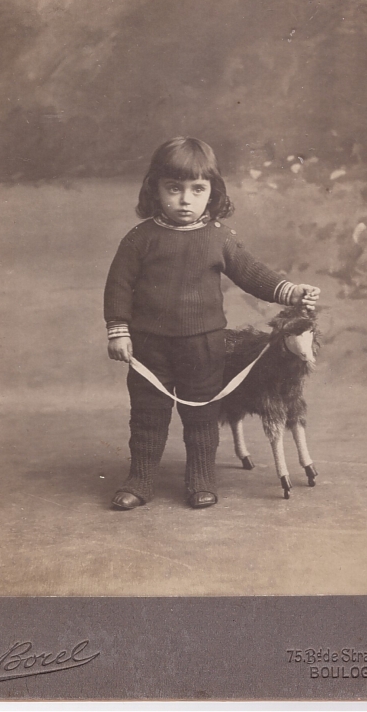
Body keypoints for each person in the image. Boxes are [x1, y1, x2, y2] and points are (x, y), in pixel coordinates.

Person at [104, 136, 320, 510]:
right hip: (149, 347)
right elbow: (118, 287)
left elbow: (253, 275)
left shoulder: (219, 237)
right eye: (174, 189)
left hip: (204, 346)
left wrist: (291, 291)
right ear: (154, 189)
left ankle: (201, 479)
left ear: (212, 192)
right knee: (147, 417)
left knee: (202, 416)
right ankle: (140, 480)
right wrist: (118, 331)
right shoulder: (140, 239)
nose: (186, 200)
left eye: (197, 189)